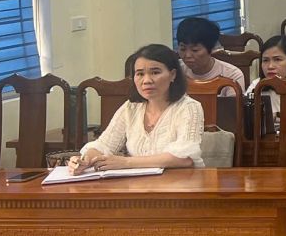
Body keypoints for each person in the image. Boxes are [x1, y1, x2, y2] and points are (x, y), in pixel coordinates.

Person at [75, 44, 205, 170]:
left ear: (173, 75)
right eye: (140, 74)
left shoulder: (189, 107)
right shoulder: (131, 108)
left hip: (180, 182)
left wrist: (126, 162)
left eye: (155, 72)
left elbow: (185, 158)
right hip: (138, 183)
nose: (146, 80)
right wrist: (85, 160)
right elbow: (103, 145)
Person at [175, 17, 247, 88]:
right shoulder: (174, 70)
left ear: (212, 48)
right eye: (183, 49)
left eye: (195, 50)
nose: (187, 55)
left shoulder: (231, 75)